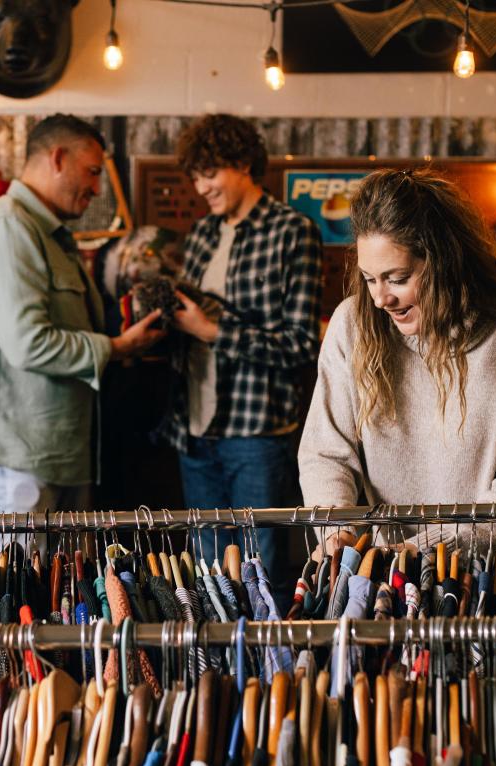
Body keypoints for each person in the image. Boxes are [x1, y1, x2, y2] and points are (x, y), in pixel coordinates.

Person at [298, 168, 496, 524]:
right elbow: (326, 453)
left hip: (494, 556)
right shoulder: (352, 325)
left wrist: (427, 548)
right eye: (369, 279)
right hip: (387, 558)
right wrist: (337, 531)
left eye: (397, 279)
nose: (380, 299)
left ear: (444, 262)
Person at [0, 114, 164, 534]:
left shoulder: (46, 233)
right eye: (92, 172)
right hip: (17, 460)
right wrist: (117, 348)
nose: (97, 188)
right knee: (16, 576)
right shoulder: (8, 227)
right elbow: (28, 342)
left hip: (50, 454)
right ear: (57, 158)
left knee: (56, 578)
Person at [163, 114, 323, 601]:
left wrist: (212, 331)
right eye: (195, 176)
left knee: (262, 572)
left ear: (243, 164)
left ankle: (264, 654)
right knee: (208, 576)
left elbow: (301, 343)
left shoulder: (293, 231)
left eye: (209, 173)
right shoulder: (202, 234)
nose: (200, 187)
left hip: (256, 434)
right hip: (194, 429)